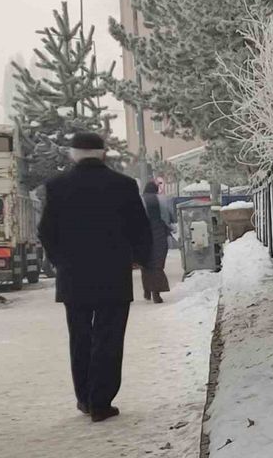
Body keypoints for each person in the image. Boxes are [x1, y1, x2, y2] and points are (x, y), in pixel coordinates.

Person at [38, 132, 152, 423]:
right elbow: (140, 228)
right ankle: (102, 402)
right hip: (113, 275)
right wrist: (140, 258)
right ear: (103, 153)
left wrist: (59, 261)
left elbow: (46, 231)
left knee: (80, 336)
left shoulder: (57, 187)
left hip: (73, 277)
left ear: (73, 154)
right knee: (109, 337)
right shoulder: (123, 186)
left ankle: (84, 398)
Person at [141, 181, 175, 303]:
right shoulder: (163, 200)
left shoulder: (140, 200)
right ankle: (156, 293)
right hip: (159, 234)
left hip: (143, 235)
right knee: (157, 264)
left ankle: (147, 290)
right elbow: (172, 217)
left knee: (145, 264)